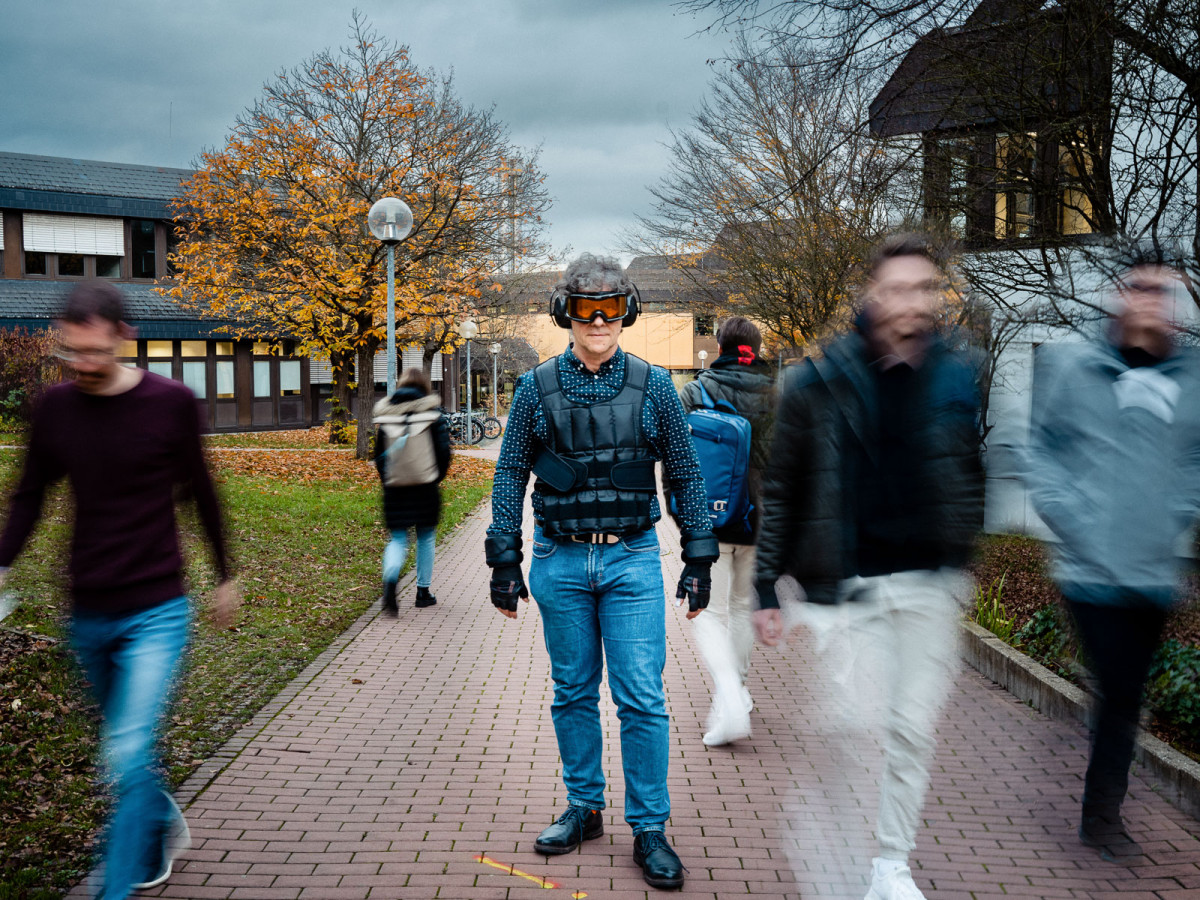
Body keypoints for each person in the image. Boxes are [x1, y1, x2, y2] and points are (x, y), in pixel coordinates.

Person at [753, 233, 983, 900]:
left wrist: (962, 545)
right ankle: (823, 835)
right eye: (900, 288)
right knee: (849, 728)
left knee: (911, 729)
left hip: (932, 583)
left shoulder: (956, 374)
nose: (913, 302)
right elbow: (782, 487)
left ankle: (890, 864)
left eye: (926, 288)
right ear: (873, 295)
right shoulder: (816, 382)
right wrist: (767, 583)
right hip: (850, 585)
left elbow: (968, 467)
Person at [485, 253, 718, 890]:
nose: (597, 320)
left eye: (609, 307)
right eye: (585, 307)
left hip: (632, 557)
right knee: (572, 691)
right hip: (559, 559)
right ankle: (585, 808)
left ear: (627, 311)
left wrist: (699, 555)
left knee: (641, 695)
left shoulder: (655, 386)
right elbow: (508, 473)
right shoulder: (534, 388)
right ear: (565, 311)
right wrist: (503, 557)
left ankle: (649, 827)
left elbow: (686, 470)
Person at [0, 281, 237, 900]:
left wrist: (224, 574)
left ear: (124, 338)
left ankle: (118, 885)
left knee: (128, 748)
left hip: (158, 607)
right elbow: (30, 494)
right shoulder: (54, 407)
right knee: (125, 748)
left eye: (95, 353)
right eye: (70, 353)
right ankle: (157, 822)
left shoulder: (170, 402)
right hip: (87, 609)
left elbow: (202, 493)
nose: (82, 365)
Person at [1024, 242, 1199, 861]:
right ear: (1120, 297)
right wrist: (1074, 518)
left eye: (1163, 291)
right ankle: (1101, 818)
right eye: (1141, 289)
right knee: (1118, 687)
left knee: (1124, 695)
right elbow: (1040, 449)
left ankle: (1102, 799)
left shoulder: (1192, 378)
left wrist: (1179, 512)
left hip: (1152, 571)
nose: (1152, 301)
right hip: (1089, 570)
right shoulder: (1077, 369)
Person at [672, 316, 775, 747]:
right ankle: (740, 689)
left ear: (718, 344)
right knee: (739, 607)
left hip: (710, 516)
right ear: (756, 346)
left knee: (710, 612)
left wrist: (684, 519)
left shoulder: (696, 391)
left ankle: (729, 692)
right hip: (760, 518)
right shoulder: (776, 392)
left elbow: (676, 458)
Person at [373, 367, 451, 613]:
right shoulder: (432, 414)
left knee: (397, 538)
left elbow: (379, 456)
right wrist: (435, 477)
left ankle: (390, 583)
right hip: (425, 485)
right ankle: (423, 592)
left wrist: (388, 479)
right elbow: (443, 453)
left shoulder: (387, 415)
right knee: (426, 538)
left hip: (395, 487)